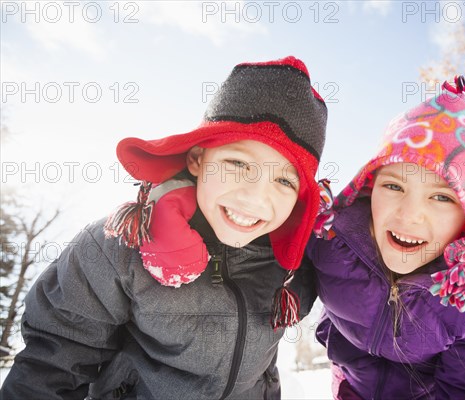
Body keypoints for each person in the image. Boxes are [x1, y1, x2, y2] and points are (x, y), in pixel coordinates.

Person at [1, 56, 328, 399]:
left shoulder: (294, 268)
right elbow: (53, 365)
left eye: (284, 181)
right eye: (237, 164)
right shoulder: (116, 247)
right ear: (197, 158)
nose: (255, 198)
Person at [308, 75, 465, 399]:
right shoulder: (330, 239)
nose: (409, 214)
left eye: (442, 197)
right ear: (369, 187)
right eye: (394, 186)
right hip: (350, 387)